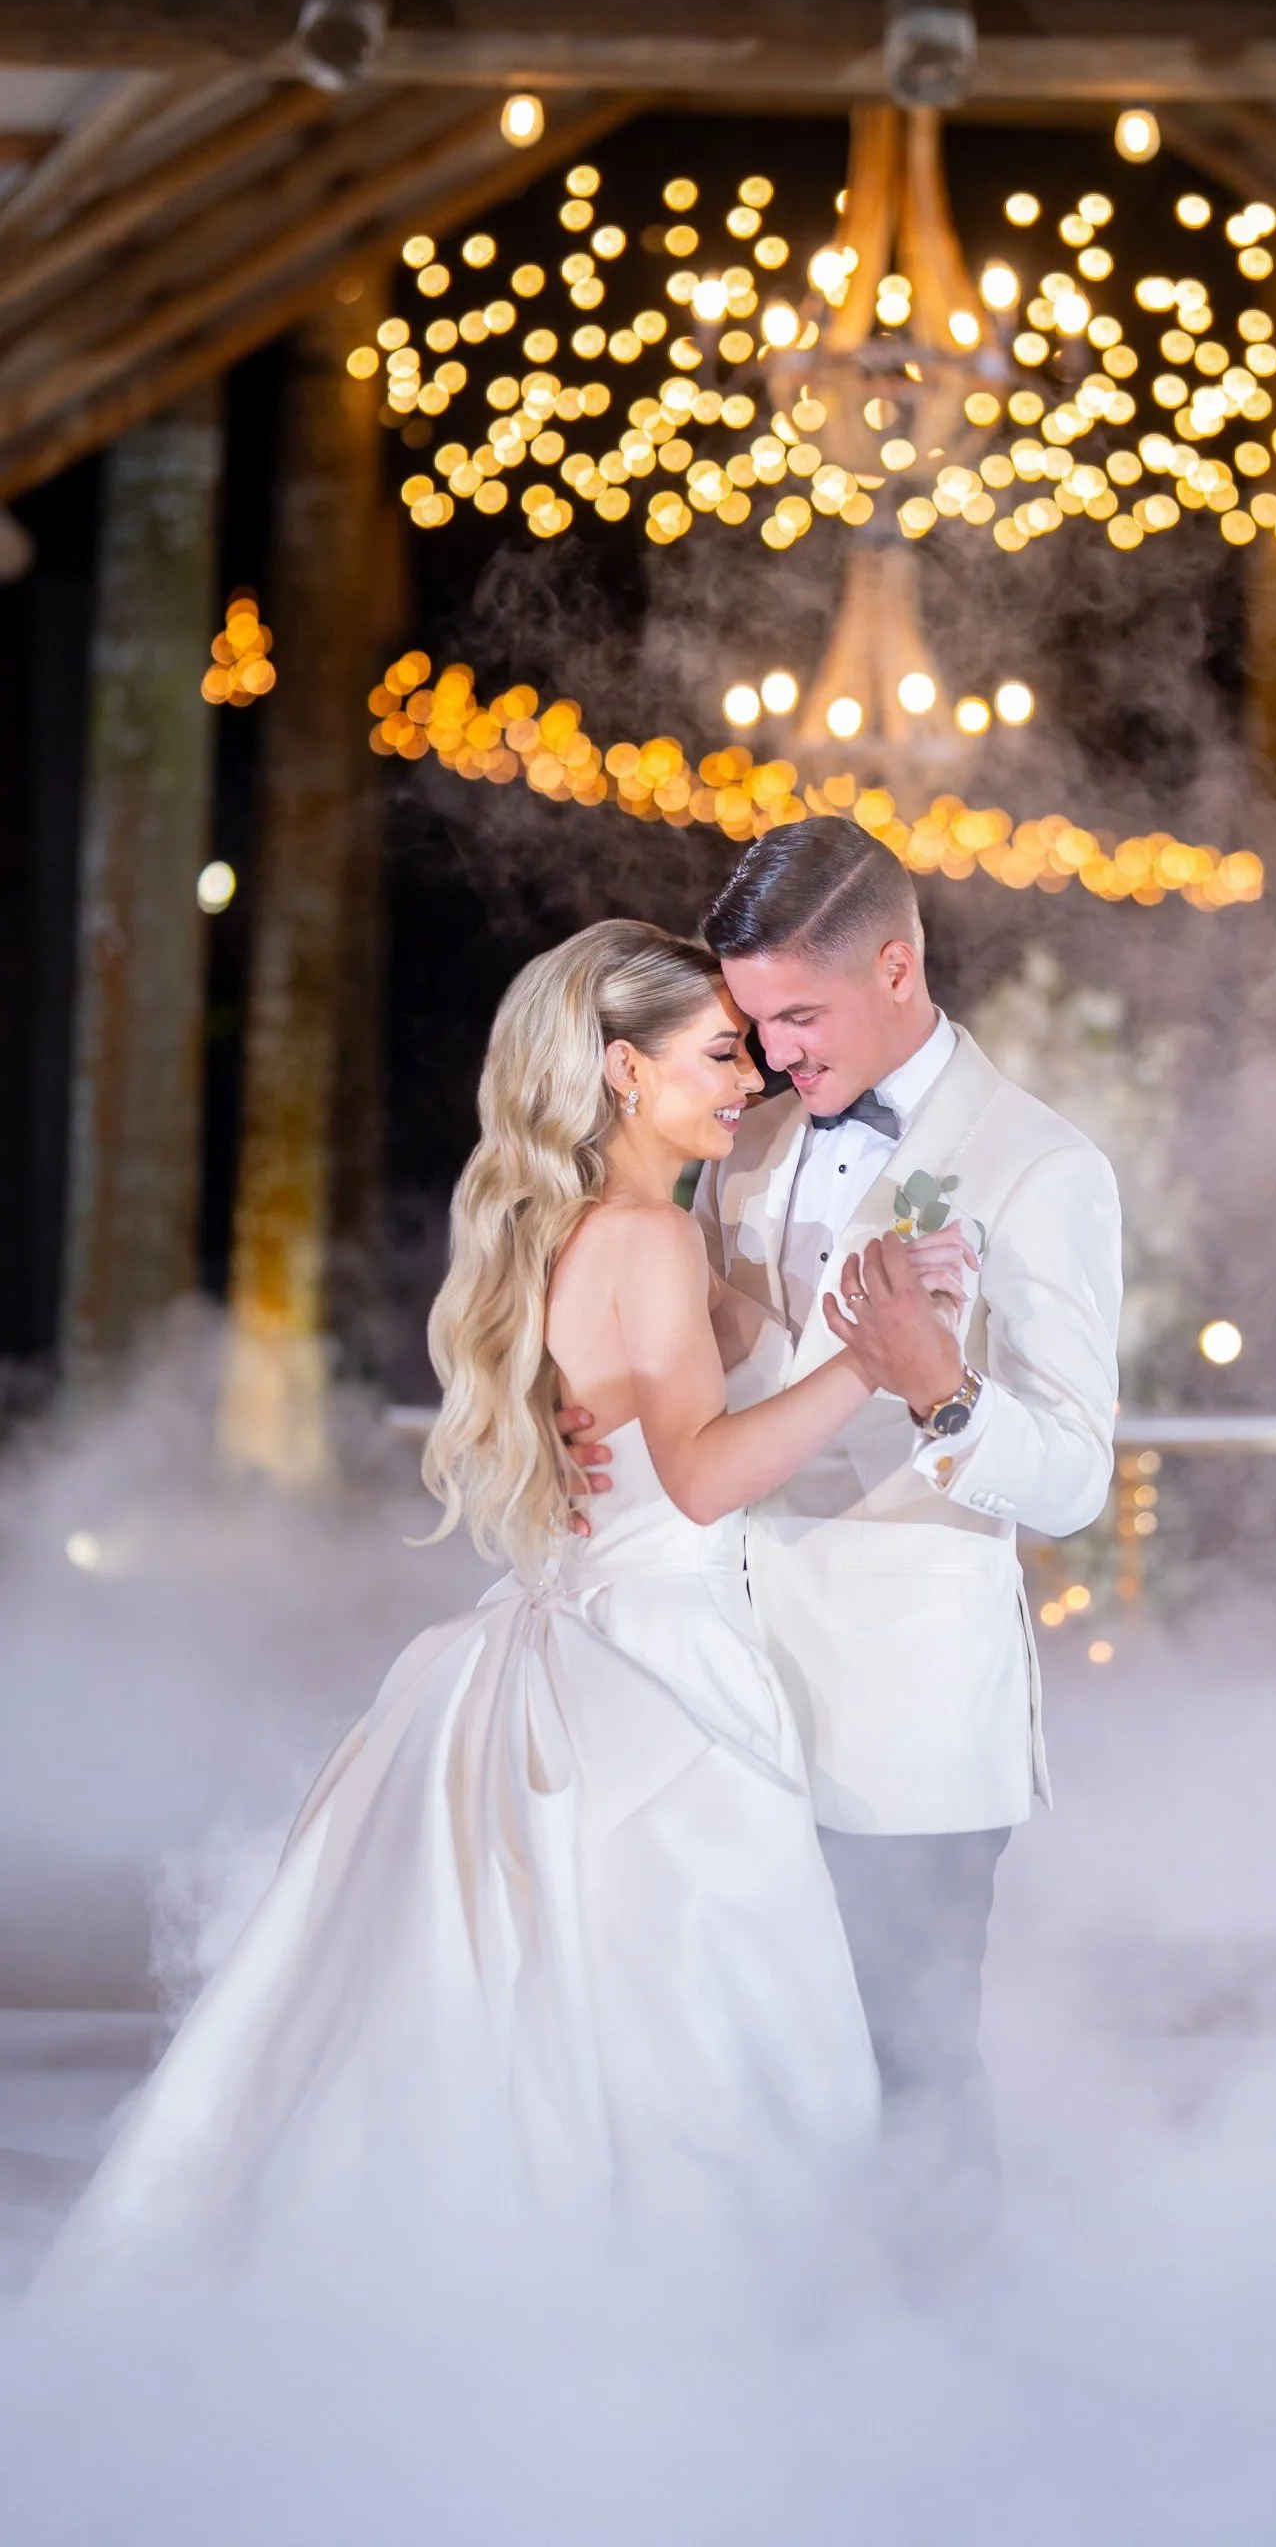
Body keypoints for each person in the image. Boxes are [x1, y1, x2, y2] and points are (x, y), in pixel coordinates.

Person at [34, 920, 961, 2299]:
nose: (748, 1079)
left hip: (569, 1649)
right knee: (696, 2042)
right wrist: (877, 1366)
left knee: (556, 2034)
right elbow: (702, 1483)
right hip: (654, 1674)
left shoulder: (584, 1229)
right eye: (719, 1053)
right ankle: (702, 2339)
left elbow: (660, 1427)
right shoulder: (644, 1238)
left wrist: (837, 1311)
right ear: (618, 1072)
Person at [563, 820, 1123, 2263]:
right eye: (748, 1024)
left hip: (902, 1718)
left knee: (906, 2070)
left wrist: (937, 1384)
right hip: (717, 1682)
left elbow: (1066, 1475)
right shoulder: (739, 1139)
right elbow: (715, 1356)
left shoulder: (1038, 1167)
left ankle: (940, 2408)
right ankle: (784, 2395)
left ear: (895, 963)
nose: (768, 1056)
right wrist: (602, 1414)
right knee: (741, 2061)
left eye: (795, 1018)